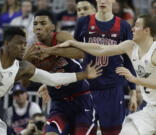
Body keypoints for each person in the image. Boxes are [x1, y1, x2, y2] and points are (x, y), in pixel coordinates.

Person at [0, 26, 101, 135]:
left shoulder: (23, 68)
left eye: (25, 44)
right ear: (7, 43)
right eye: (19, 43)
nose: (23, 47)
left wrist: (84, 74)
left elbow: (52, 79)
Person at [36, 0, 137, 134]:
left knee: (113, 132)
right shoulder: (83, 22)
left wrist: (134, 90)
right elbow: (73, 56)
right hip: (86, 88)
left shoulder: (123, 25)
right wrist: (51, 82)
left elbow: (128, 59)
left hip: (112, 87)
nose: (102, 1)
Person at [59, 15, 156, 135]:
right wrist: (74, 43)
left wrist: (134, 79)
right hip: (151, 109)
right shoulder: (130, 46)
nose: (132, 29)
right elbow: (101, 49)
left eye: (136, 26)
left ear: (147, 30)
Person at [24, 10, 99, 135]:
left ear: (52, 26)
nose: (38, 27)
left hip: (80, 97)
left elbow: (80, 52)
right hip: (59, 103)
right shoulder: (32, 50)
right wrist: (26, 61)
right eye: (35, 24)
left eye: (43, 23)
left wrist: (51, 51)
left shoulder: (60, 37)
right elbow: (25, 83)